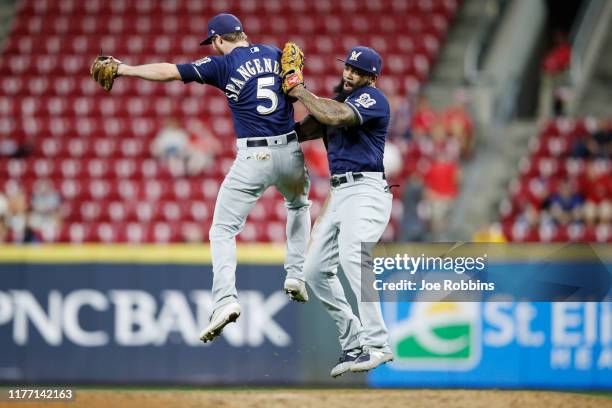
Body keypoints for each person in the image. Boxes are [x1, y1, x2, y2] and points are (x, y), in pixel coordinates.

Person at [92, 13, 312, 343]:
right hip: (291, 151)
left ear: (220, 40)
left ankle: (224, 300)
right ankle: (296, 274)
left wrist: (125, 69)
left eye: (214, 42)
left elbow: (169, 71)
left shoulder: (221, 65)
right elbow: (297, 93)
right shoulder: (275, 54)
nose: (215, 47)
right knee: (298, 205)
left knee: (222, 230)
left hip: (254, 156)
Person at [285, 46, 394, 376]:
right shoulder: (337, 104)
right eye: (348, 68)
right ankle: (354, 343)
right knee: (315, 270)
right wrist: (278, 101)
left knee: (352, 256)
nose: (349, 74)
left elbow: (335, 117)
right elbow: (299, 132)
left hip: (366, 189)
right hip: (339, 192)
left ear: (372, 79)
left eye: (358, 72)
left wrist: (299, 88)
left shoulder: (373, 100)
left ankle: (379, 345)